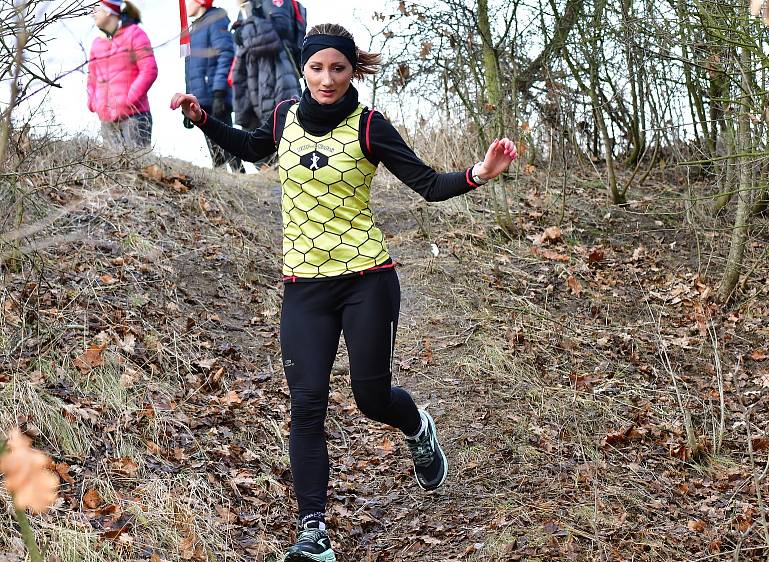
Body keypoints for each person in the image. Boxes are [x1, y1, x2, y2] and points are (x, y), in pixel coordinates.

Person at [171, 23, 517, 562]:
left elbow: (427, 184)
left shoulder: (370, 125)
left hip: (366, 281)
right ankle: (314, 532)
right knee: (306, 406)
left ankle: (417, 425)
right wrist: (203, 120)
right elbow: (250, 146)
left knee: (370, 397)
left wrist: (480, 172)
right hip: (303, 287)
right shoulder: (285, 116)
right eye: (317, 68)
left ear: (353, 70)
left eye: (338, 68)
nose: (327, 79)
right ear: (303, 70)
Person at [183, 0, 245, 173]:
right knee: (212, 144)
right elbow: (190, 67)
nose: (186, 5)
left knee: (227, 139)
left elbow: (226, 53)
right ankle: (221, 179)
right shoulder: (194, 28)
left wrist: (219, 91)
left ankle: (240, 177)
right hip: (201, 96)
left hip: (216, 93)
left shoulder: (216, 19)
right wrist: (188, 100)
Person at [87, 0, 158, 149]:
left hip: (135, 118)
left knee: (139, 170)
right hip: (107, 121)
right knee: (113, 171)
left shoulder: (135, 33)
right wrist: (94, 102)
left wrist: (127, 100)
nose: (92, 14)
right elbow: (91, 78)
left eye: (96, 9)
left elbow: (149, 70)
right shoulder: (96, 44)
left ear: (108, 11)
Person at [230, 0, 302, 133]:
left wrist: (242, 32)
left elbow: (278, 30)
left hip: (276, 77)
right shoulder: (247, 6)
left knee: (280, 130)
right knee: (252, 141)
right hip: (252, 80)